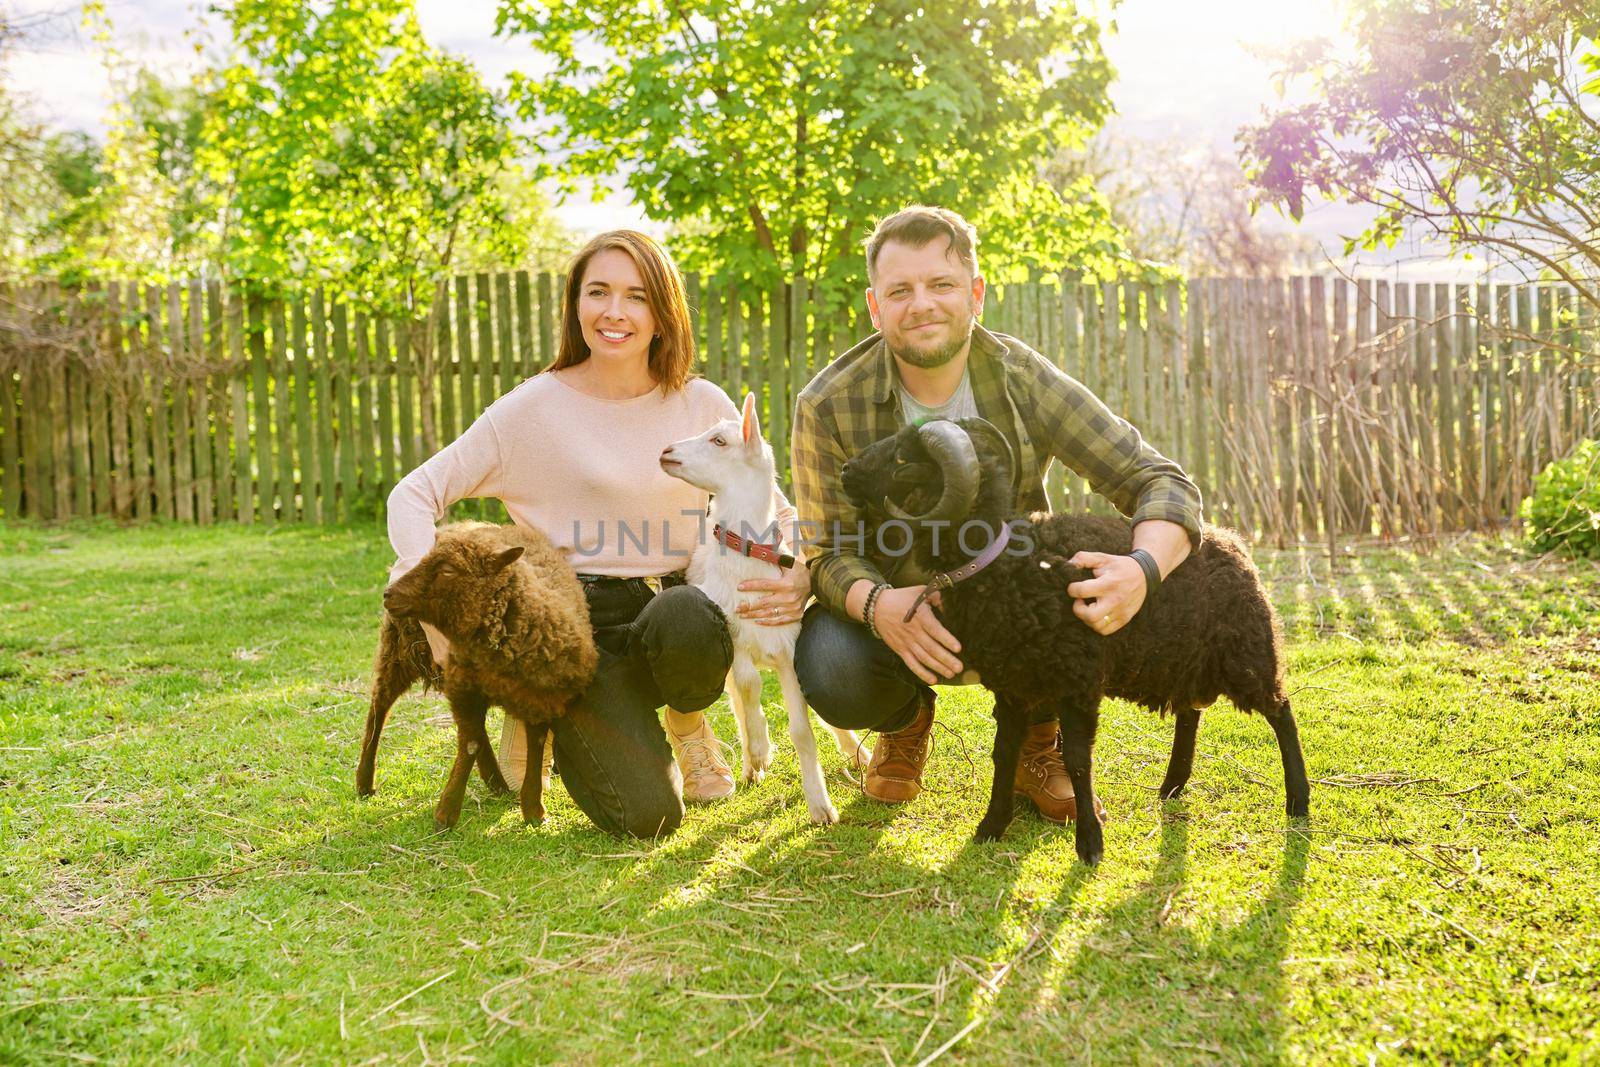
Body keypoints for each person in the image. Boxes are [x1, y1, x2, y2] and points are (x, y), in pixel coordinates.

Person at [386, 230, 807, 837]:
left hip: (676, 609)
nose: (615, 311)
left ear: (663, 312)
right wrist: (429, 601)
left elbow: (776, 510)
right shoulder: (528, 411)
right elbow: (414, 494)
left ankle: (686, 721)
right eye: (598, 292)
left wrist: (797, 567)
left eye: (636, 296)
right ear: (575, 305)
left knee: (691, 616)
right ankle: (540, 703)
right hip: (572, 625)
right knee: (649, 817)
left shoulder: (701, 404)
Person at [790, 206, 1204, 822]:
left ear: (975, 294)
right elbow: (826, 550)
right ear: (876, 308)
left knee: (1055, 581)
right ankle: (904, 718)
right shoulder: (826, 403)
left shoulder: (1022, 377)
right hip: (898, 611)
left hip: (1008, 599)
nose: (921, 304)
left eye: (942, 285)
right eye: (899, 291)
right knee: (829, 665)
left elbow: (1158, 480)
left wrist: (1143, 569)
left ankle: (1039, 737)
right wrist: (880, 605)